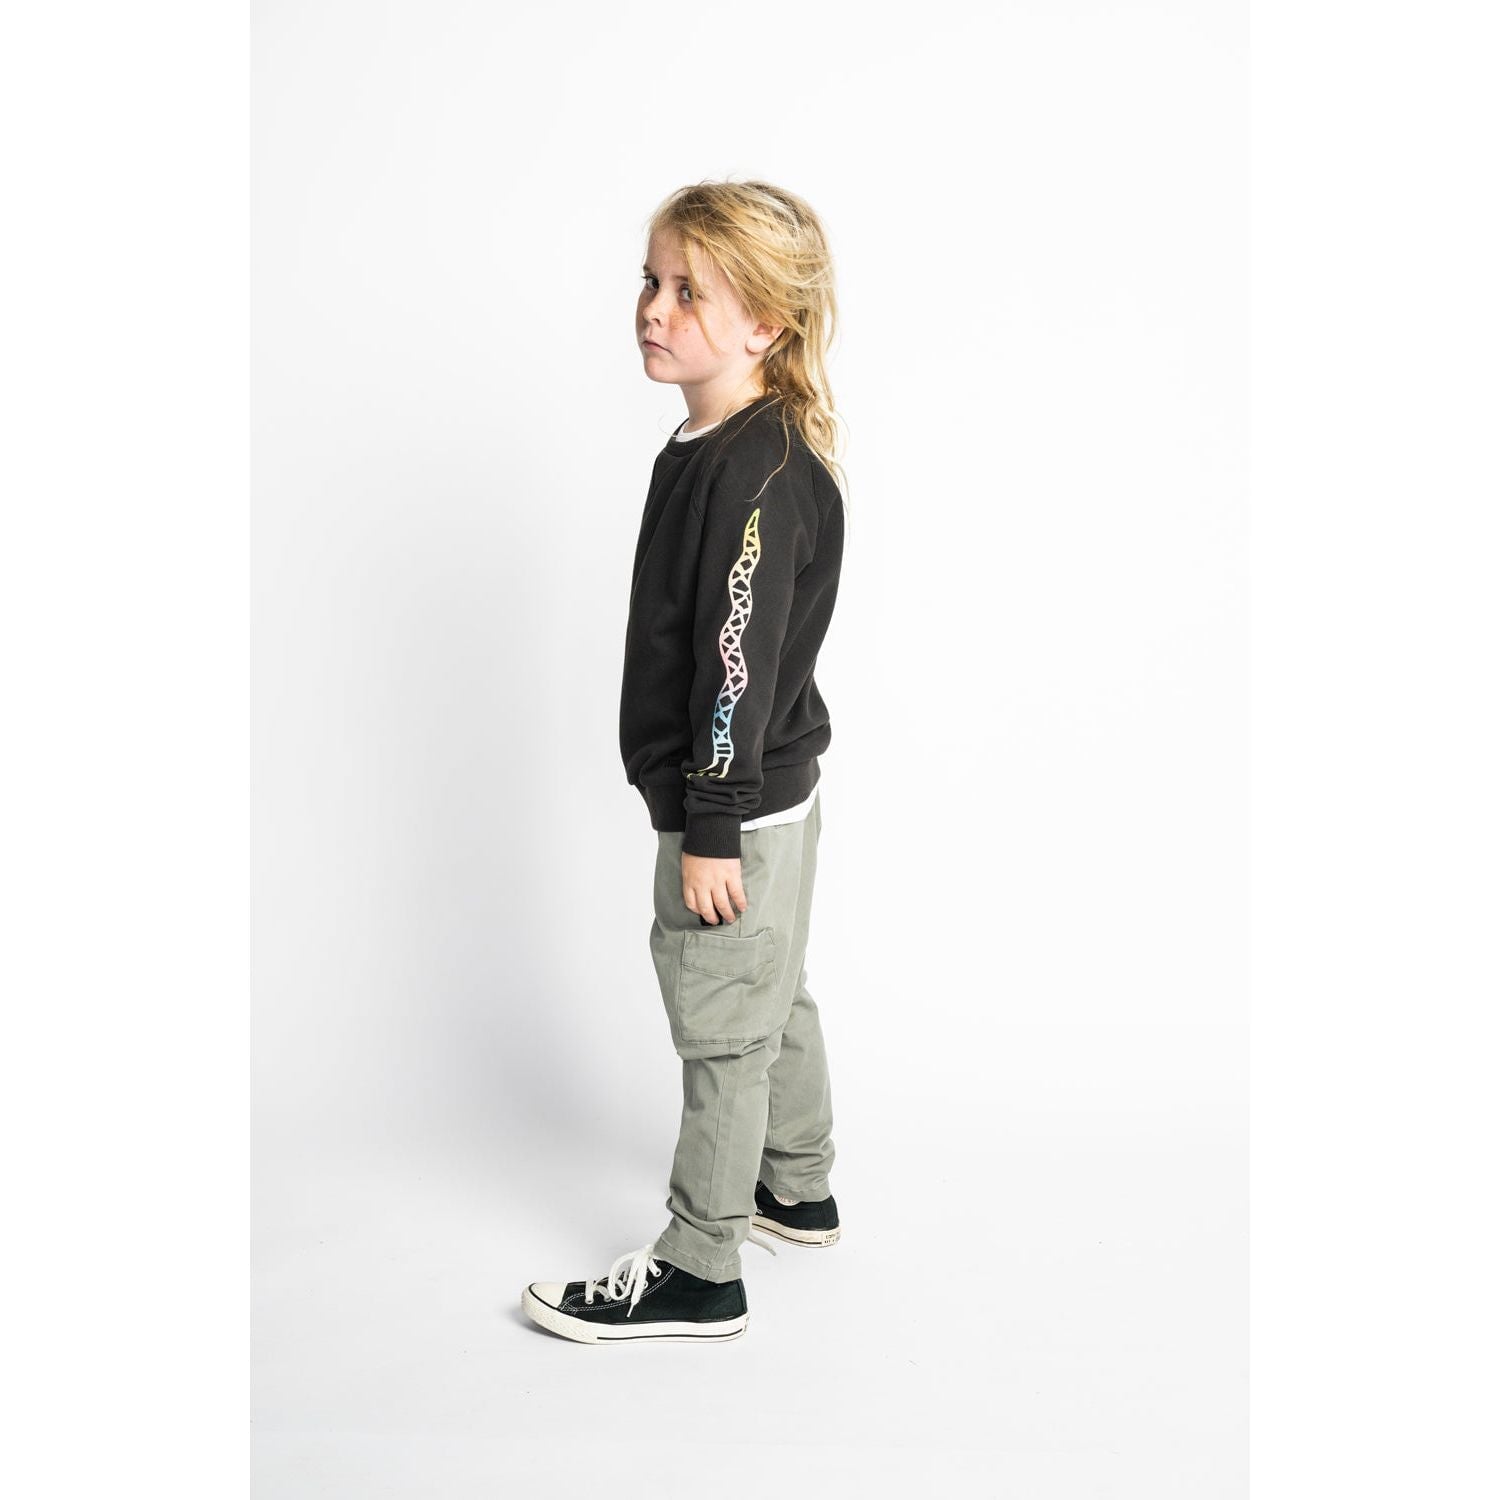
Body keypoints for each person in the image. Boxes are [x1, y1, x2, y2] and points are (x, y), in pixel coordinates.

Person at [521, 180, 850, 1345]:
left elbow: (734, 664)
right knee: (771, 987)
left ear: (764, 323)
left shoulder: (754, 478)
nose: (654, 309)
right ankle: (795, 1188)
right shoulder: (722, 448)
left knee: (722, 1027)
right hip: (770, 800)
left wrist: (711, 823)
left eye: (687, 292)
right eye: (650, 282)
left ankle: (702, 1264)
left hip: (736, 811)